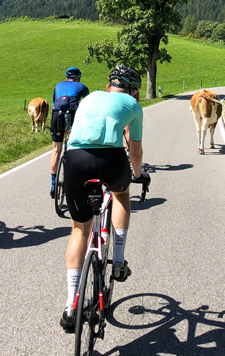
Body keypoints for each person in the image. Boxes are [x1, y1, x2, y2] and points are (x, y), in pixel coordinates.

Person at [59, 64, 150, 332]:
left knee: (79, 230)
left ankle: (70, 305)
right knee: (121, 194)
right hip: (111, 159)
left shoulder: (89, 97)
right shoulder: (132, 105)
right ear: (133, 90)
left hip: (75, 158)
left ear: (109, 85)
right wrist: (138, 175)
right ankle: (119, 261)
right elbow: (135, 152)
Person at [49, 67, 90, 197]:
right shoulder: (82, 86)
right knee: (79, 147)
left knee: (56, 150)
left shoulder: (58, 85)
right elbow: (87, 105)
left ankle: (53, 184)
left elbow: (53, 102)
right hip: (73, 113)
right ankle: (79, 178)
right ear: (79, 78)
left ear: (67, 78)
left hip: (56, 113)